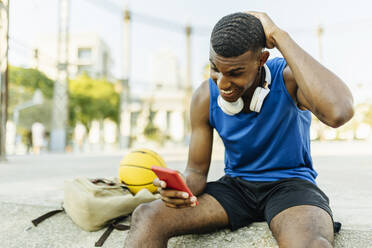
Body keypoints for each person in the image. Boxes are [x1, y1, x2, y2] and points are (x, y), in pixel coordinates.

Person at [124, 12, 354, 248]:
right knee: (147, 215)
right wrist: (180, 189)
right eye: (215, 69)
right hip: (237, 189)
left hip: (291, 187)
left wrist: (279, 35)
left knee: (311, 245)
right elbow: (196, 171)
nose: (222, 83)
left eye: (235, 73)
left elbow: (339, 113)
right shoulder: (205, 96)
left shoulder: (288, 80)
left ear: (261, 60)